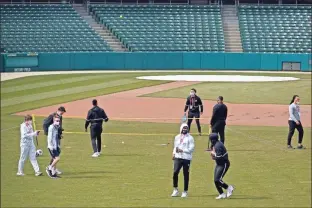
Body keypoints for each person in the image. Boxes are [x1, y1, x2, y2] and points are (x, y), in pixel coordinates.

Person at [171, 123, 195, 198]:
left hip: (186, 158)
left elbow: (191, 149)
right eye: (184, 128)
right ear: (181, 128)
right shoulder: (177, 137)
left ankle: (185, 191)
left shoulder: (190, 138)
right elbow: (175, 146)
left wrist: (182, 150)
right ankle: (175, 189)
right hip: (178, 157)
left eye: (186, 128)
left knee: (186, 174)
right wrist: (174, 153)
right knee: (175, 172)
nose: (185, 130)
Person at [209, 133, 234, 199]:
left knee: (218, 179)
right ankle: (222, 194)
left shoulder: (218, 146)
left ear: (213, 140)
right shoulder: (216, 143)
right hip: (219, 164)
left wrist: (213, 156)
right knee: (215, 180)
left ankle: (229, 188)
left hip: (224, 164)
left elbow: (219, 157)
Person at [43, 106, 66, 175]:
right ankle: (51, 168)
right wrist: (47, 133)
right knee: (56, 155)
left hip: (57, 137)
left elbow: (58, 127)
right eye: (62, 112)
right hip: (53, 138)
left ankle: (54, 169)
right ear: (59, 110)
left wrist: (60, 134)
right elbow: (45, 124)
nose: (62, 113)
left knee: (57, 152)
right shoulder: (52, 116)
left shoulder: (60, 116)